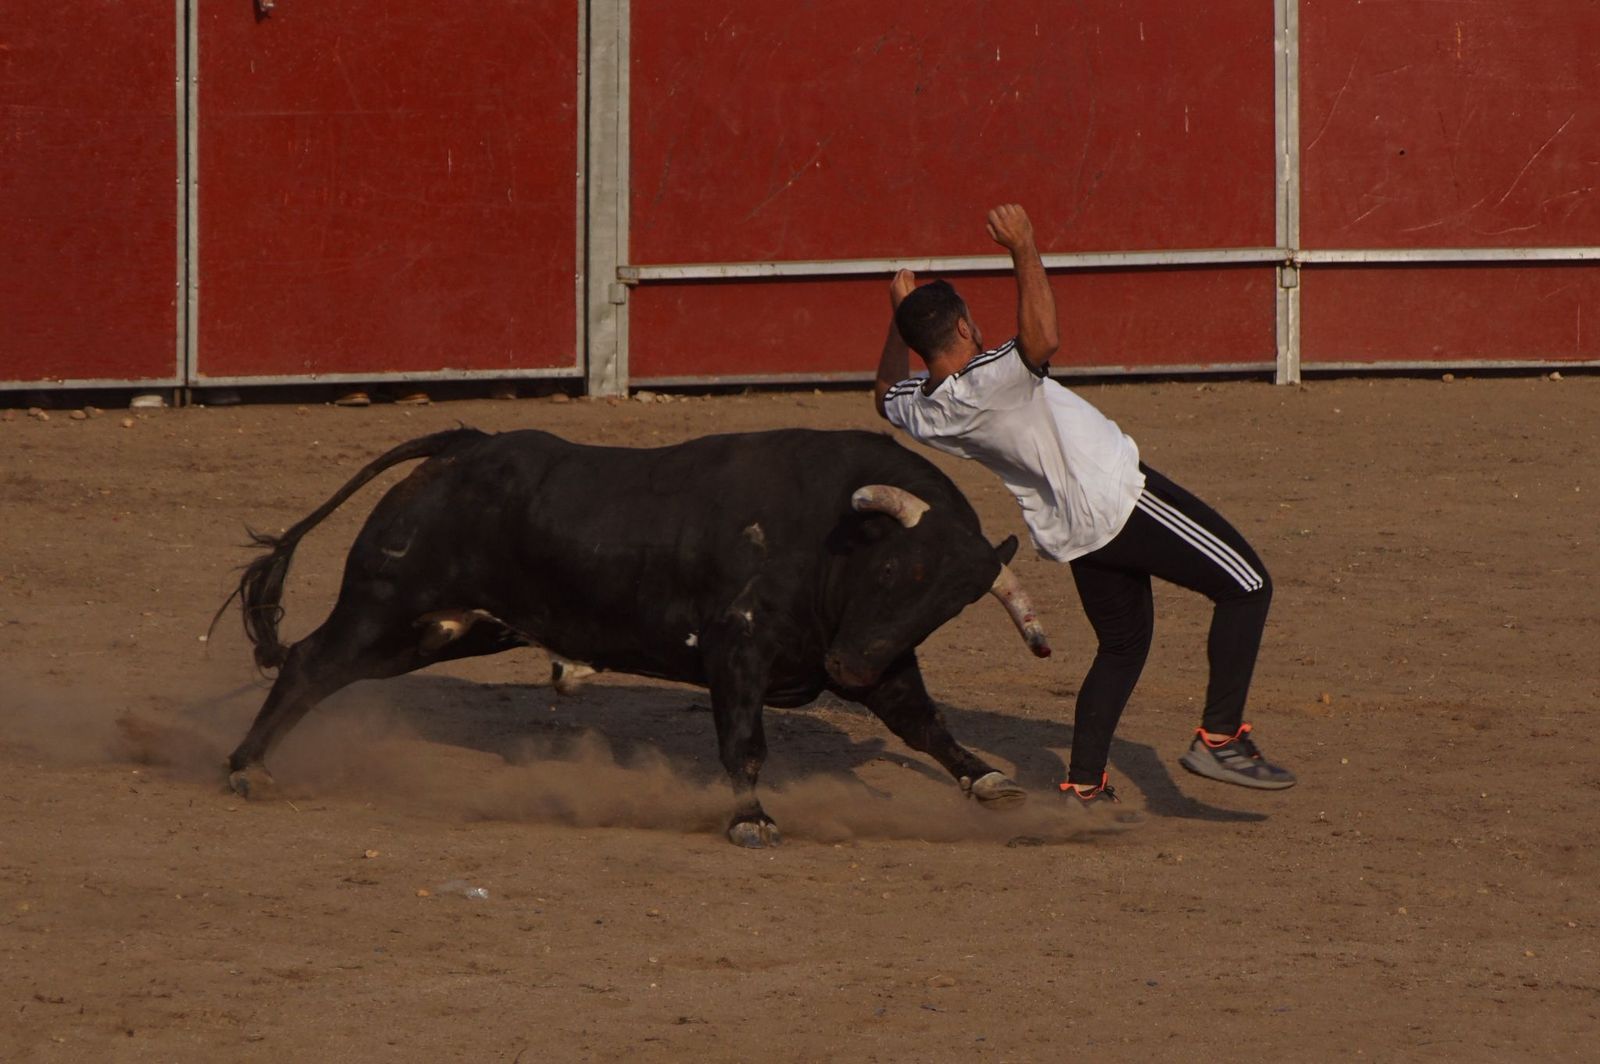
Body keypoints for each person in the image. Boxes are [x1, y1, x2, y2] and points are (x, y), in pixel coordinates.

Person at [873, 203, 1295, 805]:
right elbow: (1043, 339)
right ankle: (1220, 738)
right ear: (964, 328)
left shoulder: (928, 407)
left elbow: (885, 394)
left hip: (1074, 529)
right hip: (1118, 500)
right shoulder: (990, 377)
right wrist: (1023, 244)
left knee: (1123, 647)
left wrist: (901, 319)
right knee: (1247, 586)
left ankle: (1085, 786)